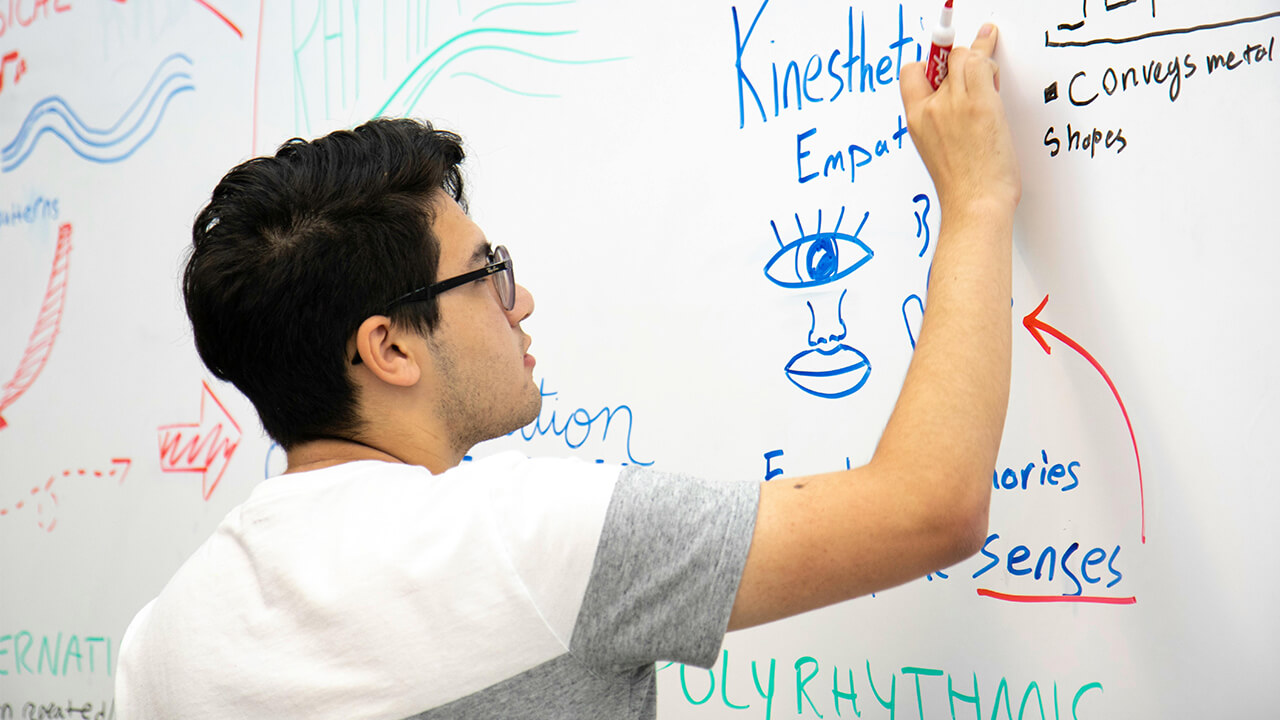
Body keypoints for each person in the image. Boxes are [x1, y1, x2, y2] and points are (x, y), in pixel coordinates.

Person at [116, 25, 1019, 720]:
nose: (521, 302)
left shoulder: (159, 648)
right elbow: (930, 507)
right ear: (389, 348)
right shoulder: (517, 545)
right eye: (485, 273)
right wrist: (977, 201)